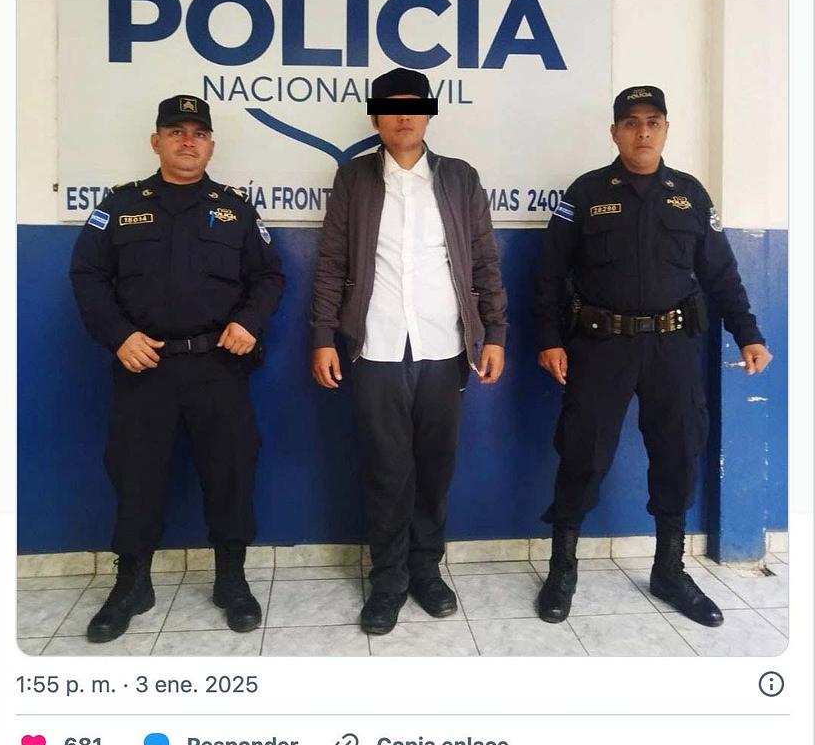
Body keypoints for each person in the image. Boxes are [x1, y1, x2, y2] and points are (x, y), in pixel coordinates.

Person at [534, 86, 772, 627]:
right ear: (615, 132)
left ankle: (669, 569)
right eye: (631, 123)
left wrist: (748, 334)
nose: (643, 132)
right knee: (583, 452)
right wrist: (549, 339)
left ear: (665, 129)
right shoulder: (586, 193)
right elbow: (548, 275)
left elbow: (721, 275)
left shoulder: (689, 195)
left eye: (653, 122)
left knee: (678, 451)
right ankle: (562, 568)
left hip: (673, 346)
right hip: (601, 346)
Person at [69, 95, 285, 642]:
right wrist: (118, 336)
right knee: (135, 474)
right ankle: (132, 584)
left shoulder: (235, 209)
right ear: (156, 141)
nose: (188, 141)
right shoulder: (120, 205)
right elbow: (87, 275)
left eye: (198, 133)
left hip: (218, 365)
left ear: (211, 145)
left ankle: (231, 580)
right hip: (145, 366)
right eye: (176, 131)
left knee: (230, 472)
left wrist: (249, 323)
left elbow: (268, 277)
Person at [310, 68, 508, 635]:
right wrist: (323, 337)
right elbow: (332, 264)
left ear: (427, 115)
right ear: (375, 117)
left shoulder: (459, 179)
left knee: (435, 466)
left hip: (444, 346)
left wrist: (495, 333)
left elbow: (484, 262)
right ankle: (388, 579)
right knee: (386, 468)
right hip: (375, 347)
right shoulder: (354, 179)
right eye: (392, 107)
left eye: (414, 107)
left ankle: (426, 570)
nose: (404, 116)